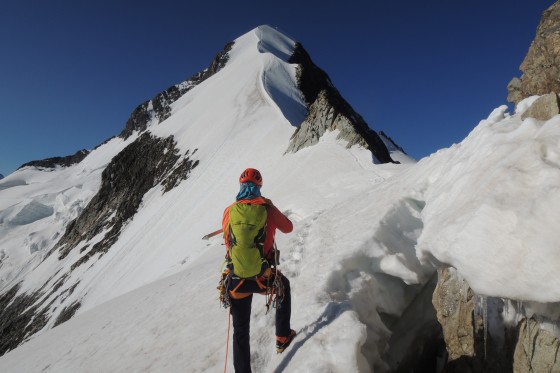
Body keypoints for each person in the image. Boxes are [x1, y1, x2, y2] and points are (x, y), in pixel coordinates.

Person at [222, 168, 296, 373]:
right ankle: (282, 337)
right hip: (263, 277)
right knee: (284, 286)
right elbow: (288, 227)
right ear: (259, 187)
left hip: (237, 280)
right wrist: (271, 206)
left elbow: (227, 241)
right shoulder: (267, 209)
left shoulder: (229, 211)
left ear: (240, 186)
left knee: (240, 330)